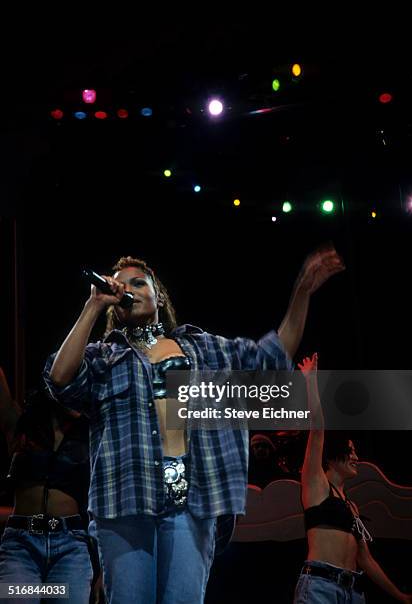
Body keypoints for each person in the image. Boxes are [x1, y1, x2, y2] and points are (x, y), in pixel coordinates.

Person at [44, 246, 344, 604]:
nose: (130, 290)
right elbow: (60, 379)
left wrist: (302, 293)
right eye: (122, 285)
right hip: (126, 501)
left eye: (140, 283)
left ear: (158, 295)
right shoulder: (104, 355)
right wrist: (93, 305)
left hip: (191, 503)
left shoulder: (201, 348)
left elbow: (271, 356)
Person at [294, 353, 412, 604]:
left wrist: (401, 597)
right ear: (332, 457)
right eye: (349, 451)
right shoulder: (316, 484)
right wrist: (311, 380)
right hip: (321, 587)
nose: (355, 457)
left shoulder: (351, 506)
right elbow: (317, 428)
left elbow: (366, 559)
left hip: (352, 592)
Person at [0, 368, 97, 604]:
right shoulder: (23, 425)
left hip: (71, 546)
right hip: (21, 546)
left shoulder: (91, 433)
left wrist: (103, 570)